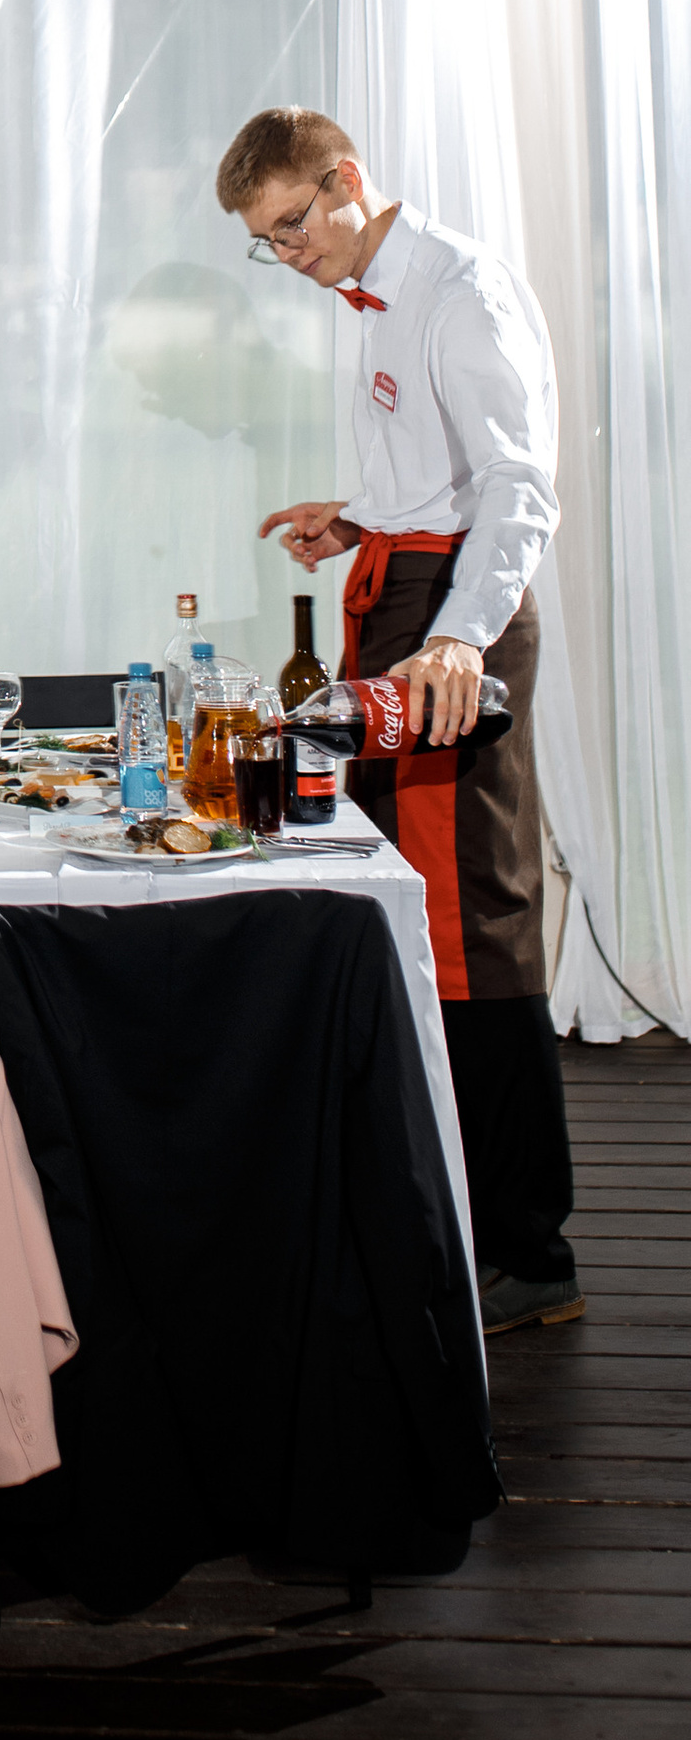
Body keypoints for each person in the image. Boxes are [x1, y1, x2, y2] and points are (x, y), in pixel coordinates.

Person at [217, 106, 579, 1335]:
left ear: (346, 182)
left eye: (292, 225)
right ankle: (449, 1206)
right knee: (408, 913)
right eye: (267, 243)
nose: (288, 255)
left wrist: (458, 638)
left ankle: (531, 1253)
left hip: (450, 626)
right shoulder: (375, 291)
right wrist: (360, 521)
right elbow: (438, 481)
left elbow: (519, 491)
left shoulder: (461, 289)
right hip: (406, 597)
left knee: (473, 927)